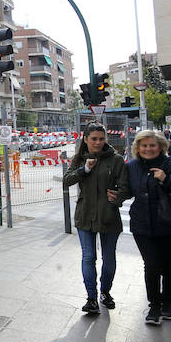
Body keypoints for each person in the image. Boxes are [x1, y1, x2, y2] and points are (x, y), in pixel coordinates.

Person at [121, 129, 171, 325]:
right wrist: (116, 196)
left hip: (170, 225)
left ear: (161, 147)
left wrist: (167, 179)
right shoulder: (131, 166)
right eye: (144, 145)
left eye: (152, 145)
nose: (148, 149)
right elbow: (128, 190)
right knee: (151, 265)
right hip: (142, 225)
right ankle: (154, 307)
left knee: (168, 266)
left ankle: (168, 304)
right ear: (137, 148)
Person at [63, 123, 128, 314]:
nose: (98, 142)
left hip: (109, 216)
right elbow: (67, 181)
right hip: (85, 215)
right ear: (86, 139)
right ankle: (91, 298)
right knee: (88, 256)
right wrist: (85, 169)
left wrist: (118, 197)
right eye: (94, 139)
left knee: (109, 259)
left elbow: (126, 187)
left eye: (101, 138)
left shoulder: (116, 160)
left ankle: (105, 292)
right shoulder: (80, 159)